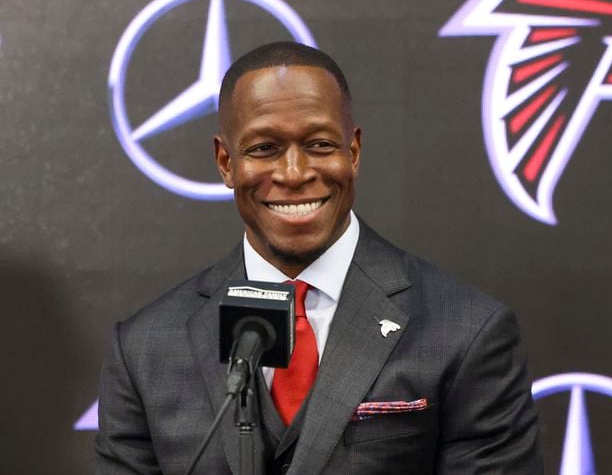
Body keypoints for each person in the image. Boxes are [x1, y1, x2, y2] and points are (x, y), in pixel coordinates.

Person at [95, 42, 544, 475]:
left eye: (320, 144)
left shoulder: (467, 332)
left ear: (353, 152)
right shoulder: (144, 349)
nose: (294, 174)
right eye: (264, 148)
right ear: (225, 162)